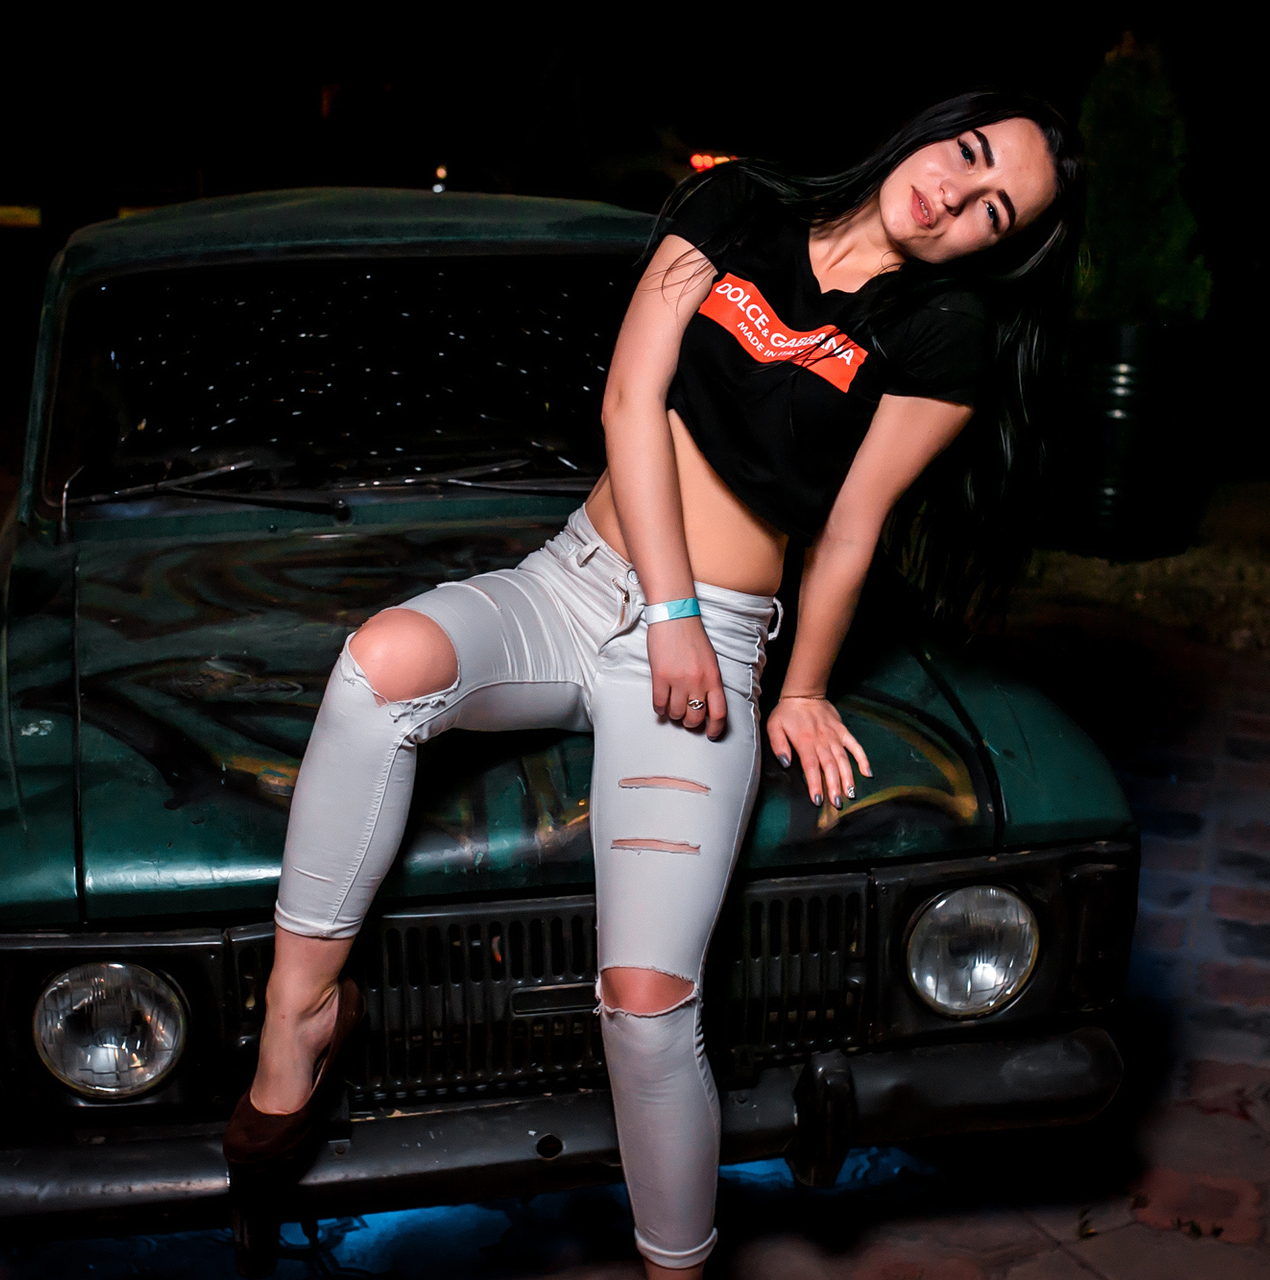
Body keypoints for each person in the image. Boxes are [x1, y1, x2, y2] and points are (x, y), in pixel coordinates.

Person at [225, 89, 1084, 1277]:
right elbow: (632, 396)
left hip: (714, 648)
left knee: (644, 1003)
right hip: (572, 579)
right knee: (380, 665)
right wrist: (661, 606)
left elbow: (851, 529)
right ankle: (301, 1011)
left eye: (994, 211)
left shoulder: (943, 333)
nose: (956, 196)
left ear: (996, 248)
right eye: (970, 155)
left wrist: (799, 684)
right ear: (937, 127)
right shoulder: (736, 203)